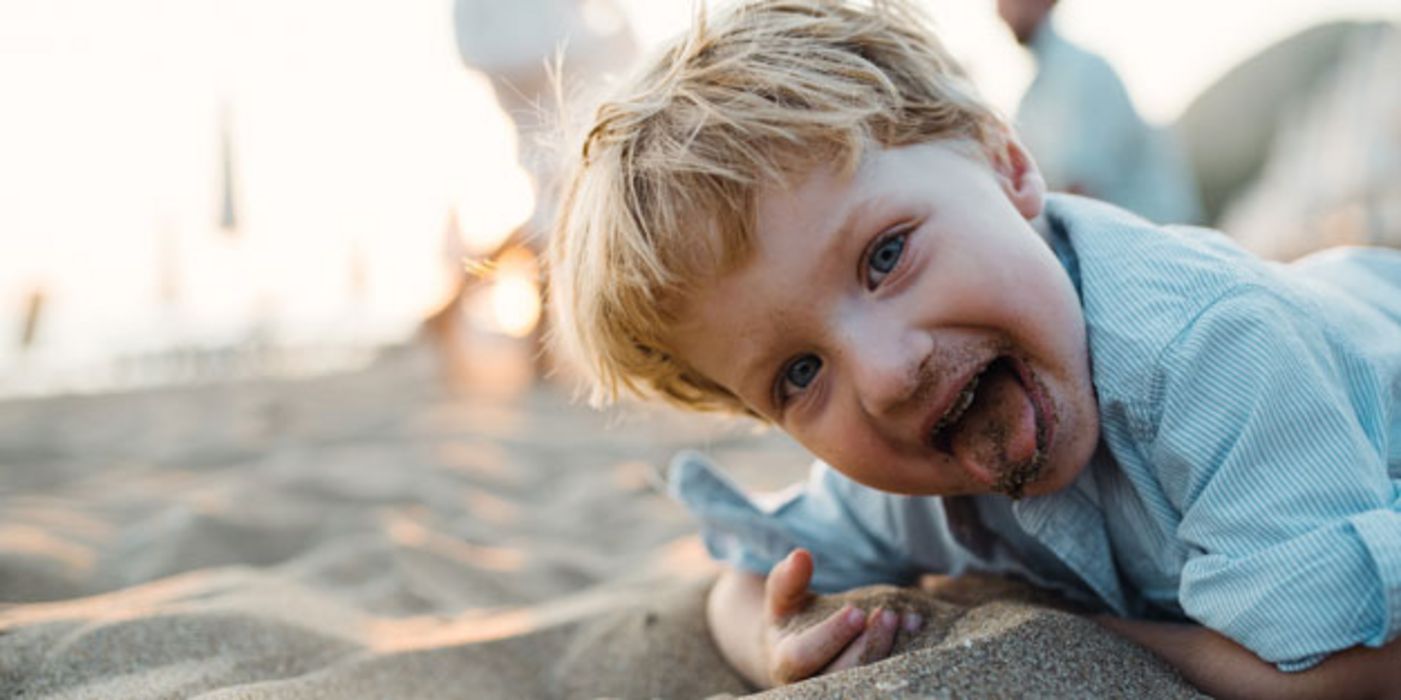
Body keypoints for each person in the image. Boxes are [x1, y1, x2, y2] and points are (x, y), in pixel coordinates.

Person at [547, 0, 1401, 696]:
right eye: (798, 375)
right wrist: (771, 641)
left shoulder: (1209, 351)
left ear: (1007, 165)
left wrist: (1091, 639)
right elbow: (745, 577)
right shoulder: (902, 476)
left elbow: (1346, 674)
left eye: (885, 256)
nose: (884, 376)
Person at [997, 0, 1202, 224]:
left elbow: (1081, 189)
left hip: (1152, 237)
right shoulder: (1034, 94)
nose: (999, 11)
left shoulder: (1082, 70)